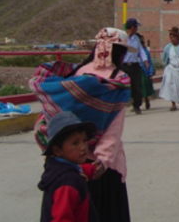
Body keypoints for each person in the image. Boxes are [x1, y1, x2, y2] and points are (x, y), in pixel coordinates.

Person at [30, 27, 135, 222]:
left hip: (68, 161)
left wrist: (53, 150)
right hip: (100, 168)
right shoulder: (118, 80)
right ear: (120, 53)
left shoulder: (76, 73)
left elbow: (54, 114)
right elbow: (113, 131)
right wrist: (102, 159)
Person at [38, 111, 98, 222]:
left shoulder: (59, 169)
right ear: (57, 150)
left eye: (84, 141)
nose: (83, 147)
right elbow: (62, 218)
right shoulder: (67, 181)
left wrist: (93, 169)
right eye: (75, 143)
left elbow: (79, 170)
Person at [122, 18, 150, 115]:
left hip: (134, 65)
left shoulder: (136, 39)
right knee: (122, 86)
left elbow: (140, 51)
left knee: (136, 86)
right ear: (132, 27)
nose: (137, 29)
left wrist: (145, 61)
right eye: (136, 27)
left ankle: (136, 105)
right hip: (123, 66)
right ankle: (120, 107)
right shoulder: (121, 37)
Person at [138, 34, 155, 110]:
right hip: (136, 70)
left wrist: (150, 72)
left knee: (144, 87)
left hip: (143, 71)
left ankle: (146, 99)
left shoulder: (145, 52)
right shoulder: (133, 52)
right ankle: (136, 103)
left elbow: (150, 62)